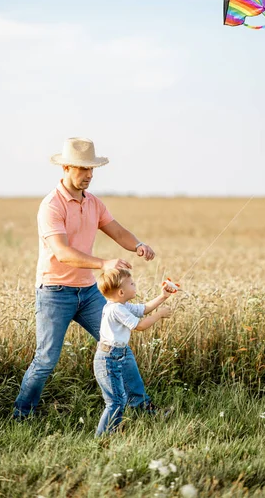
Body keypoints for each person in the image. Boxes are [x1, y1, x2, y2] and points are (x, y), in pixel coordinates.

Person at [13, 137, 155, 419]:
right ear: (65, 168)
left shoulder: (93, 203)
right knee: (45, 359)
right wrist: (104, 263)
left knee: (119, 346)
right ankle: (22, 413)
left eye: (92, 169)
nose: (89, 175)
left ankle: (143, 407)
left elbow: (116, 230)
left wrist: (137, 244)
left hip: (88, 292)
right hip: (54, 292)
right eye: (82, 169)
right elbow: (62, 253)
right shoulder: (51, 206)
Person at [94, 268, 174, 436]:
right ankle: (103, 436)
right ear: (121, 291)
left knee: (134, 386)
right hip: (109, 358)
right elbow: (140, 326)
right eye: (131, 283)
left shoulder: (121, 305)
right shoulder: (116, 309)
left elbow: (143, 309)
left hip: (120, 354)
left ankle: (149, 414)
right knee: (116, 401)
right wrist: (159, 315)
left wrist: (163, 297)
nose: (135, 284)